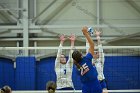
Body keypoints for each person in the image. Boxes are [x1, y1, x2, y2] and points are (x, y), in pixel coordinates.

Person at [72, 26, 102, 93]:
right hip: (95, 84)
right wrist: (86, 33)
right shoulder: (87, 59)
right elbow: (92, 45)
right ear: (81, 55)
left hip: (85, 87)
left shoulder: (76, 68)